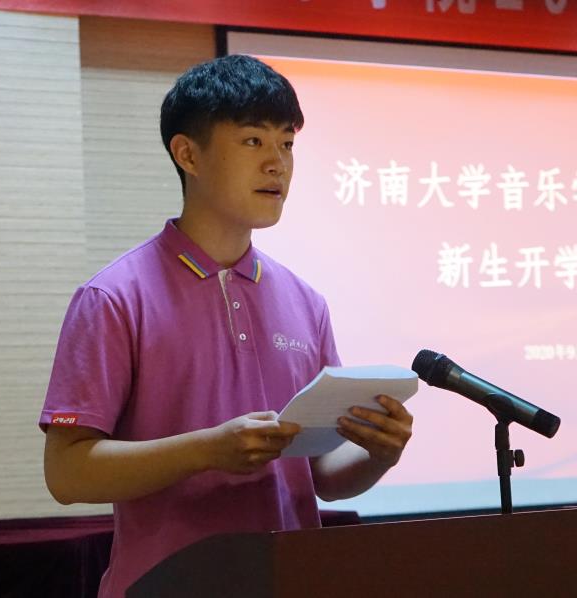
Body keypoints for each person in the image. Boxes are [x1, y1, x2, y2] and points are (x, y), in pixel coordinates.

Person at [40, 54, 413, 598]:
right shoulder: (113, 297)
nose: (277, 164)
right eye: (253, 141)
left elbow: (325, 476)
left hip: (289, 580)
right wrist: (208, 450)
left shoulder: (306, 301)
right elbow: (67, 473)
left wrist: (378, 453)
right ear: (187, 154)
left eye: (287, 143)